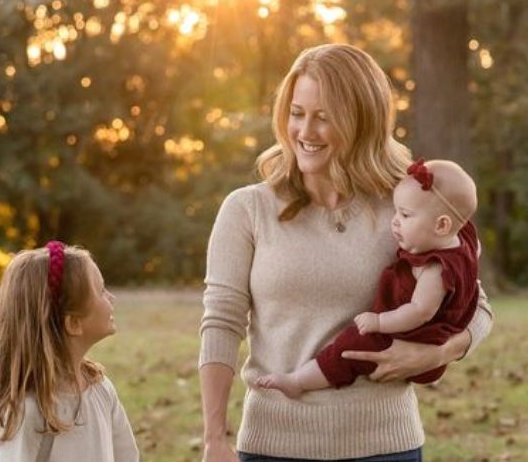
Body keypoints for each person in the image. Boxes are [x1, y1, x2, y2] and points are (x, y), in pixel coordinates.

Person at [199, 43, 493, 462]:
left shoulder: (407, 205)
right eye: (297, 113)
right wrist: (214, 438)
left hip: (385, 445)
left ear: (362, 122)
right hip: (273, 446)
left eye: (323, 118)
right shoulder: (248, 209)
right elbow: (220, 322)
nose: (304, 131)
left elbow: (475, 303)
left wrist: (439, 352)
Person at [256, 159, 480, 398]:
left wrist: (379, 322)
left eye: (405, 215)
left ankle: (298, 382)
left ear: (442, 225)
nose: (394, 220)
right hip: (427, 338)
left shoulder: (434, 270)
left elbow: (419, 311)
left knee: (349, 349)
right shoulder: (465, 239)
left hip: (410, 337)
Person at [0, 241, 139, 462]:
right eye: (101, 291)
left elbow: (127, 457)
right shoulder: (29, 410)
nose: (112, 298)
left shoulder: (101, 389)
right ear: (73, 324)